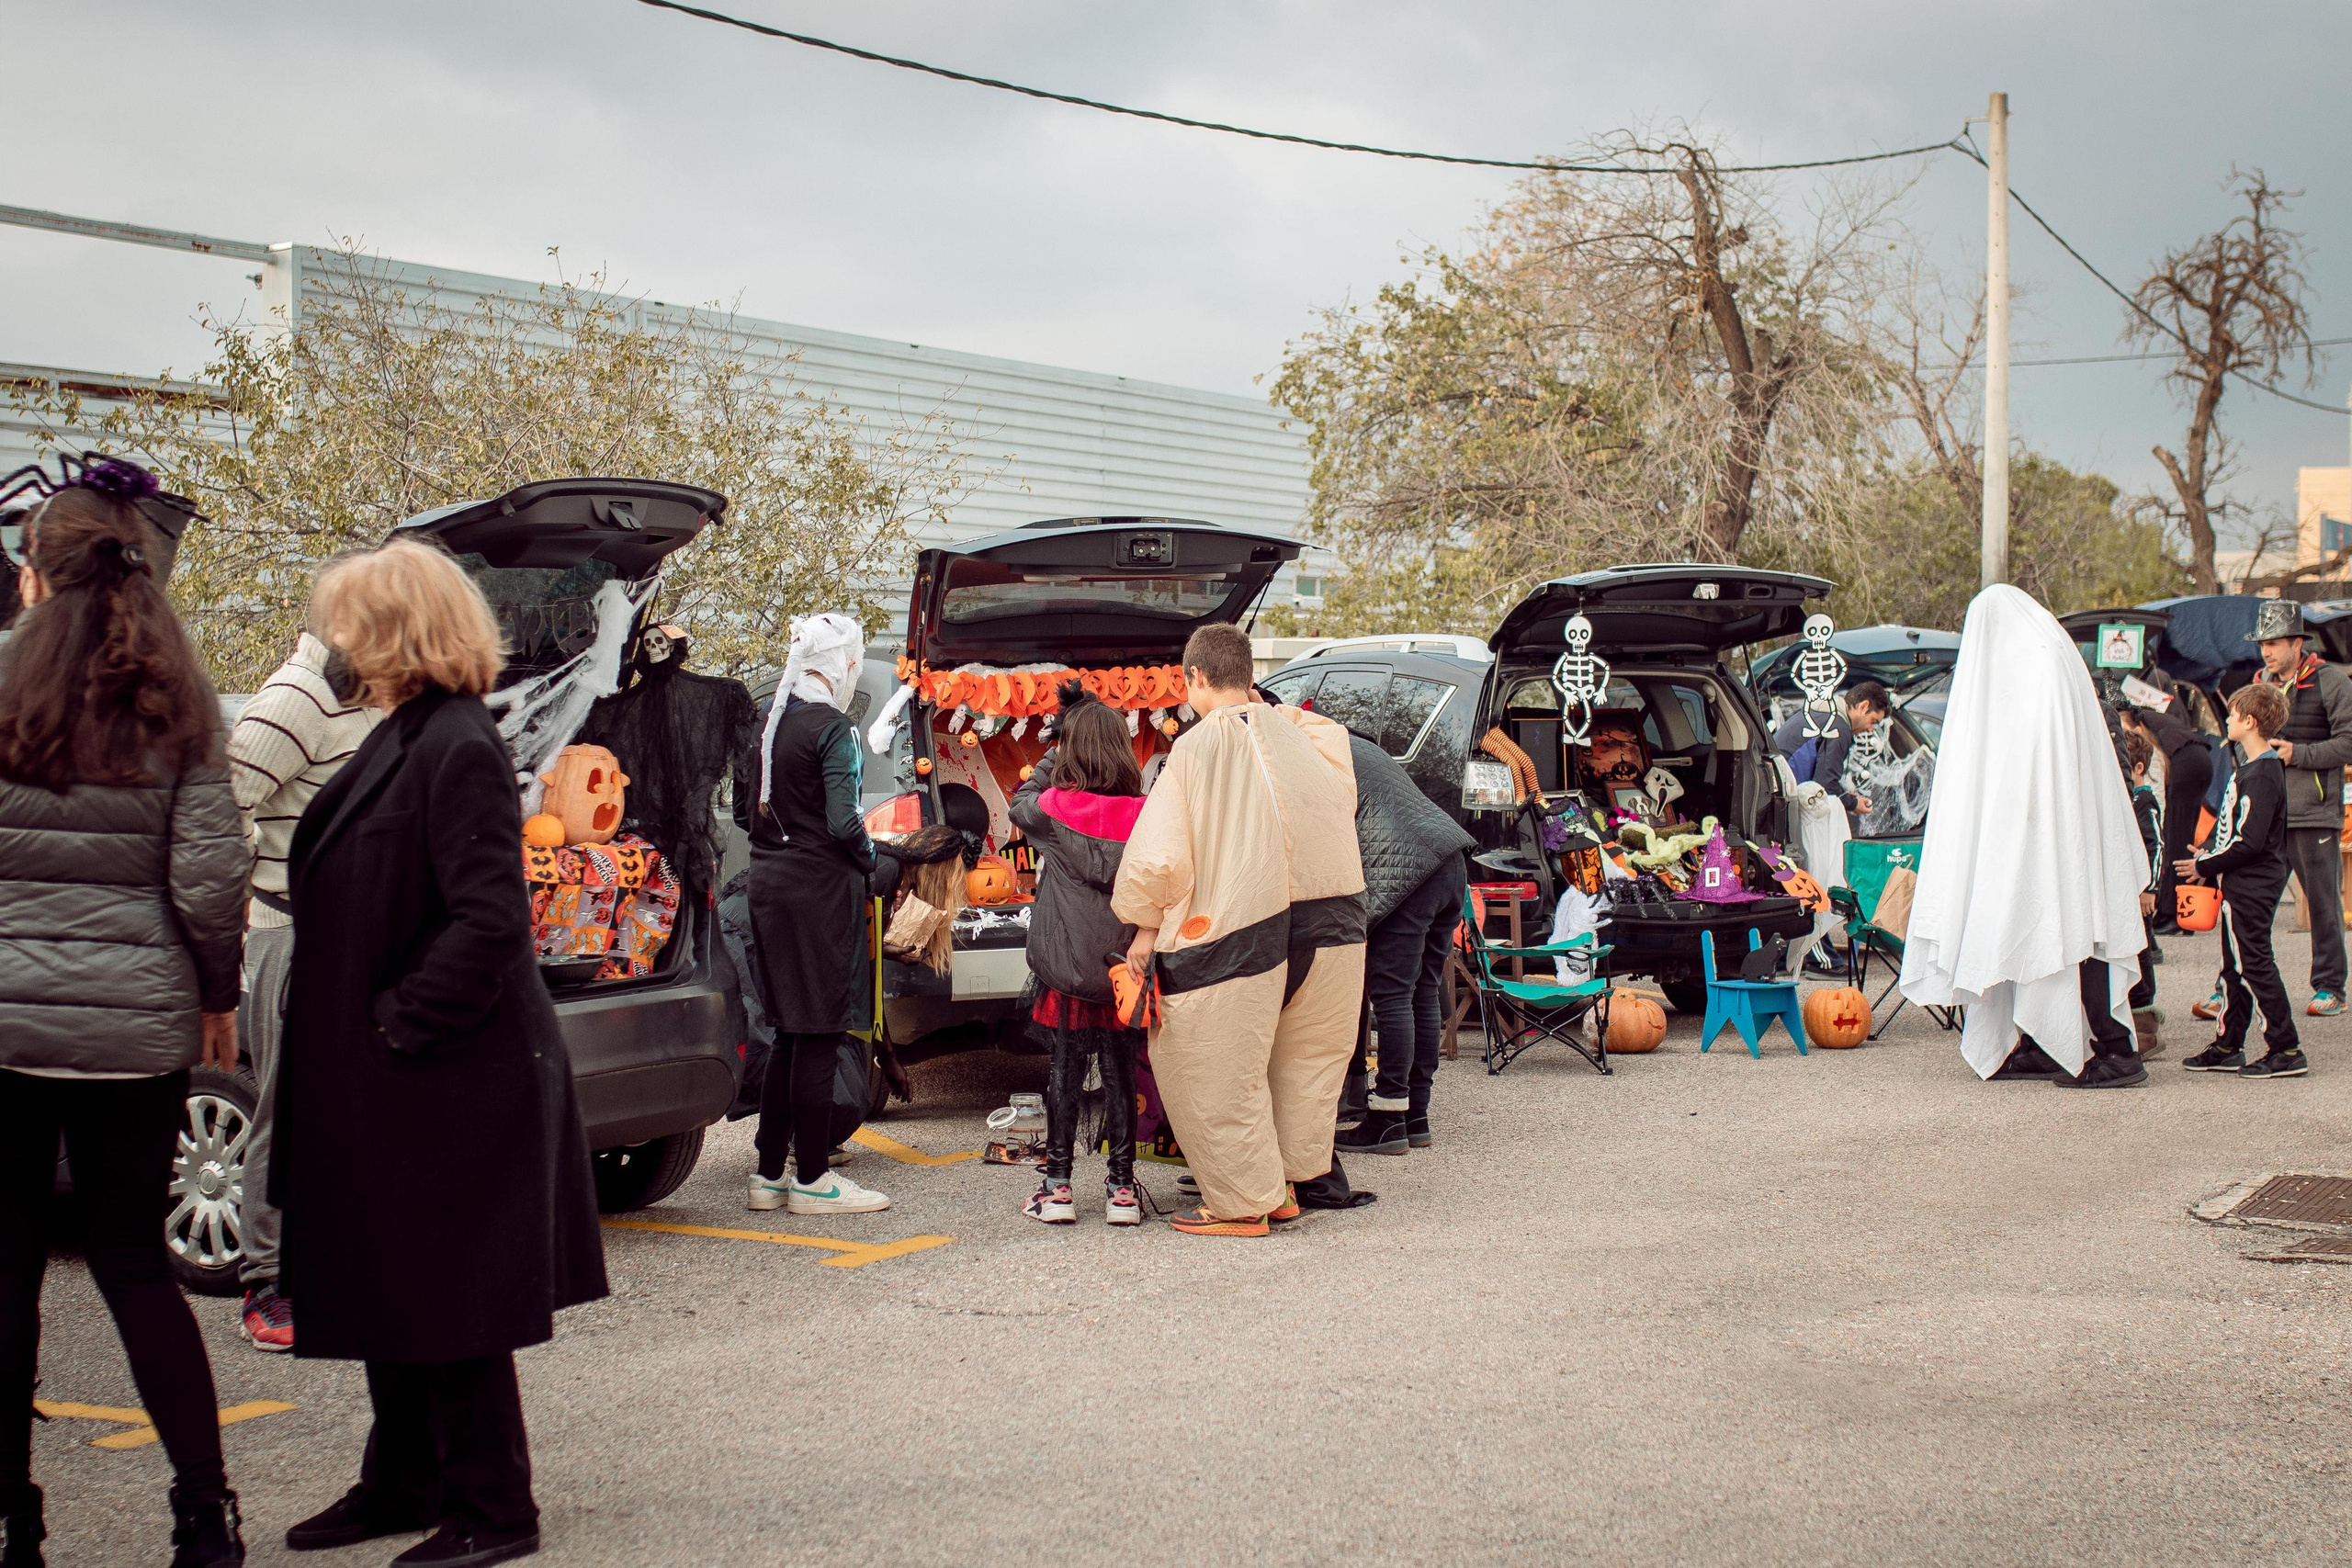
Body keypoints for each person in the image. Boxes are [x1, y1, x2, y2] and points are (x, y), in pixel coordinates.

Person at [274, 539, 607, 1567]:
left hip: (446, 1072)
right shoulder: (407, 733)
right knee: (394, 1277)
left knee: (450, 1291)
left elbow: (490, 920)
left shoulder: (456, 742)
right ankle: (404, 1479)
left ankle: (495, 1506)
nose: (339, 642)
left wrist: (397, 1024)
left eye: (351, 625)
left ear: (395, 632)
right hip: (397, 1072)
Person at [0, 464, 248, 1567]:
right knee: (136, 1269)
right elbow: (210, 879)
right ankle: (204, 1513)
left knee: (5, 1273)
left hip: (5, 1029)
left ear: (34, 577)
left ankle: (12, 1520)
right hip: (135, 1034)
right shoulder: (179, 701)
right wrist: (216, 995)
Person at [1111, 622, 1366, 1237]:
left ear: (1194, 676)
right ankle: (1284, 1185)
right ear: (1251, 676)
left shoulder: (1195, 750)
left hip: (1240, 932)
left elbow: (1159, 856)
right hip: (1333, 929)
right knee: (1302, 1062)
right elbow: (1334, 759)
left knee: (1214, 1066)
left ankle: (1243, 1202)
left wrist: (1144, 927)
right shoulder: (1305, 739)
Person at [1898, 586, 2149, 1089]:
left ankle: (2118, 1052)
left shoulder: (2040, 669)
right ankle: (2041, 1043)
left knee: (2077, 933)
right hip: (2033, 833)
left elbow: (2041, 761)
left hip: (2057, 834)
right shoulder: (2044, 663)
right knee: (2028, 930)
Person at [224, 626, 380, 1354]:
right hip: (290, 930)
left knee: (339, 1111)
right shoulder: (295, 696)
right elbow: (223, 805)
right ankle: (266, 1280)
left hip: (351, 930)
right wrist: (247, 892)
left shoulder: (364, 693)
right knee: (284, 1110)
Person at [744, 612, 893, 1216]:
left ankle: (767, 1174)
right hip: (818, 895)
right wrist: (874, 858)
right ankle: (811, 1177)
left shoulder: (767, 723)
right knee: (821, 1031)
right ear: (842, 665)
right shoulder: (835, 728)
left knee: (789, 1030)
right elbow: (843, 820)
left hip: (767, 884)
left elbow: (746, 812)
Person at [1007, 679, 1148, 1226]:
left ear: (1073, 750)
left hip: (1066, 969)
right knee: (1120, 1073)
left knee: (1064, 1071)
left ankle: (1058, 1188)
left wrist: (1055, 749)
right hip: (1123, 970)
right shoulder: (1146, 815)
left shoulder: (1052, 809)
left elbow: (1019, 803)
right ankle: (1122, 1191)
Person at [1332, 734, 1473, 1156]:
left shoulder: (1310, 750)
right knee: (1423, 989)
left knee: (1393, 995)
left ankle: (1387, 1117)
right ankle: (1415, 1116)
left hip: (1403, 868)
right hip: (1448, 858)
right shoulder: (1352, 742)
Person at [2178, 683, 2306, 1078]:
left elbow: (2250, 841)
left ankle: (2285, 1048)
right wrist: (2209, 851)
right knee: (2233, 966)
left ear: (2249, 722)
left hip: (2253, 883)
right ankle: (2228, 1044)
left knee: (2254, 964)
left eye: (2233, 715)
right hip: (2239, 882)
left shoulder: (2263, 773)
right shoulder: (2250, 768)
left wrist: (2205, 865)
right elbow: (2234, 828)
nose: (2228, 721)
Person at [2248, 599, 2352, 1016]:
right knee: (2250, 905)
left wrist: (2298, 754)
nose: (2267, 652)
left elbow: (2349, 743)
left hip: (2314, 812)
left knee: (2323, 906)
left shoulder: (2332, 681)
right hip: (2267, 815)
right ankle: (2231, 986)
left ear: (2297, 643)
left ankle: (2330, 988)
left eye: (2274, 643)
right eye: (2262, 644)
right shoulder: (2260, 684)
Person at [2120, 696, 2212, 936]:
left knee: (2171, 837)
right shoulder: (2149, 720)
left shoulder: (2143, 739)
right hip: (2200, 761)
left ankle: (2170, 912)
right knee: (2184, 838)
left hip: (2186, 764)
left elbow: (2156, 788)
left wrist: (2155, 822)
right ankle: (2183, 911)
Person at [1772, 680, 1891, 819]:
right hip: (1780, 800)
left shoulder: (1819, 713)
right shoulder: (1837, 728)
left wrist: (1845, 796)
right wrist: (1853, 803)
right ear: (1863, 707)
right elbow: (1826, 786)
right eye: (1873, 721)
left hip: (1772, 790)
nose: (1870, 730)